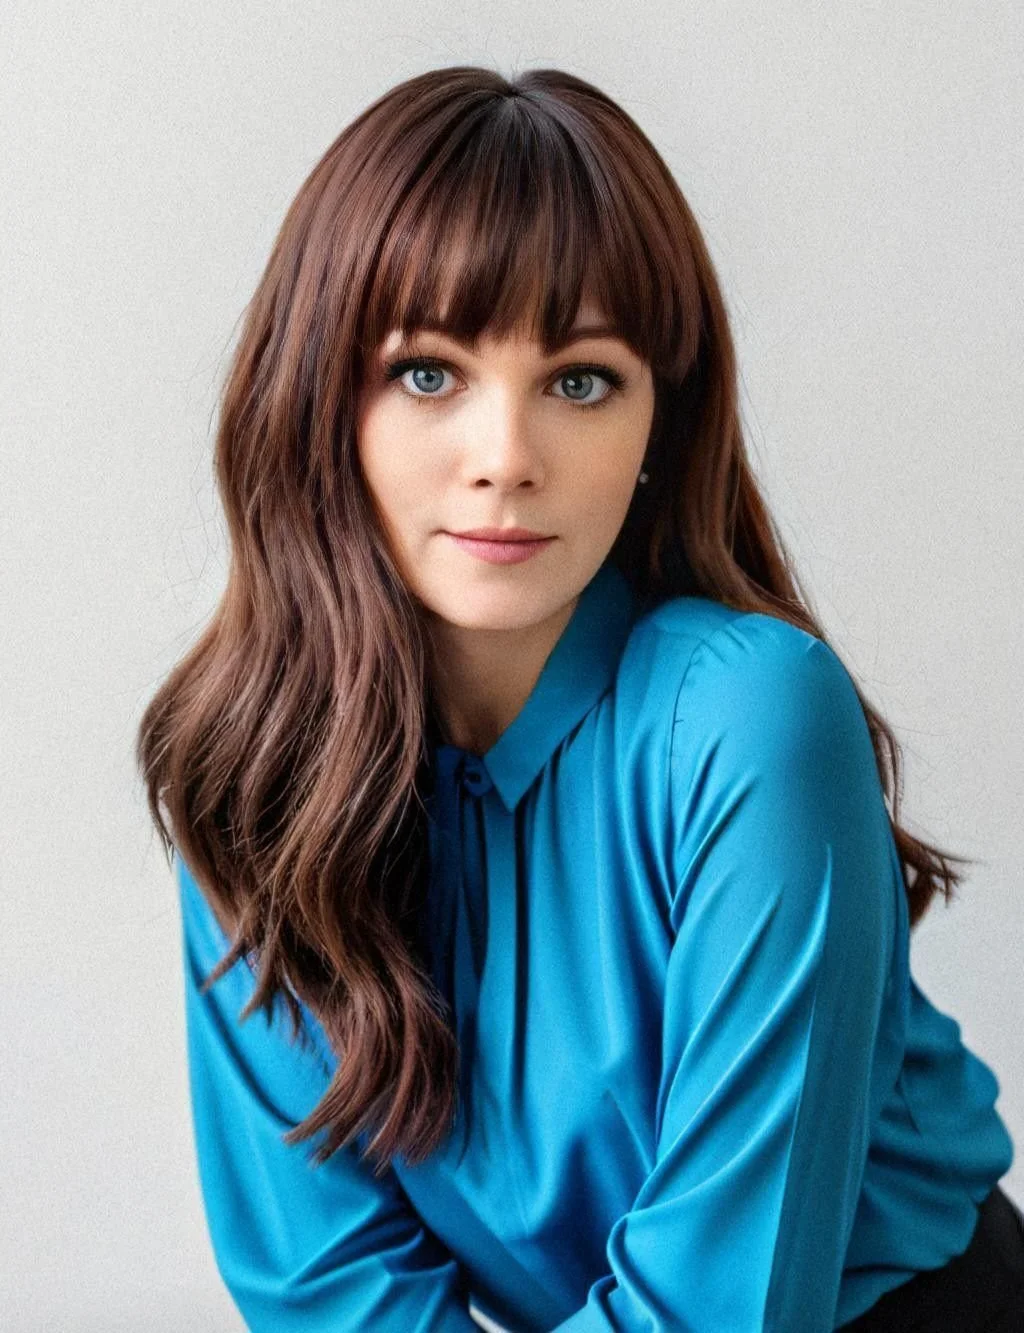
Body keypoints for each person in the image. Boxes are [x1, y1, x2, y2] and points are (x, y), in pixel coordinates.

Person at [137, 66, 1023, 1331]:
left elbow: (720, 1307)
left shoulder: (748, 720)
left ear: (660, 419)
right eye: (428, 374)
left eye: (579, 381)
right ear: (322, 405)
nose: (505, 459)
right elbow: (326, 1288)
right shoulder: (253, 774)